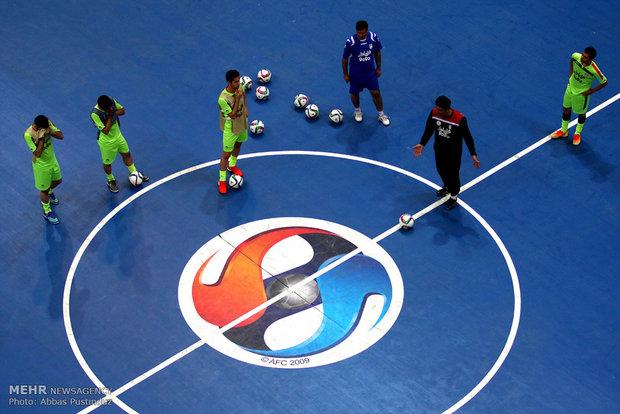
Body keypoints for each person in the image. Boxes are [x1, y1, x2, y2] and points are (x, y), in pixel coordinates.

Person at [413, 96, 480, 209]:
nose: (437, 110)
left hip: (454, 152)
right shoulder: (434, 113)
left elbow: (467, 137)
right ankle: (448, 187)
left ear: (447, 109)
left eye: (440, 109)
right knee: (441, 170)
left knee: (453, 175)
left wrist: (473, 154)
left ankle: (453, 196)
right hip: (439, 149)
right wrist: (422, 143)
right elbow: (429, 129)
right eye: (437, 108)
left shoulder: (459, 119)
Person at [550, 46, 608, 146]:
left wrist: (591, 91)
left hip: (581, 95)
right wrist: (571, 75)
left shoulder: (594, 70)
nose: (582, 57)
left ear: (591, 59)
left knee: (581, 114)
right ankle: (564, 130)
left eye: (585, 57)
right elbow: (572, 60)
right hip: (570, 88)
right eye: (582, 55)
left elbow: (604, 82)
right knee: (566, 109)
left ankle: (577, 133)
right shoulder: (576, 56)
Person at [90, 95, 149, 193]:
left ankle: (134, 172)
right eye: (108, 108)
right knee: (108, 163)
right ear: (101, 107)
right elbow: (105, 131)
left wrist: (113, 112)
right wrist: (110, 116)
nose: (110, 108)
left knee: (127, 154)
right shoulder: (95, 114)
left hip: (118, 136)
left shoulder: (111, 102)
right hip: (107, 142)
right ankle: (110, 180)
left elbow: (122, 111)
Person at [341, 20, 390, 126]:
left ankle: (381, 114)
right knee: (354, 94)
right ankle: (358, 111)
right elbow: (344, 59)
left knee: (376, 93)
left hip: (370, 73)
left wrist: (378, 67)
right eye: (359, 33)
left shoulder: (373, 38)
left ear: (367, 30)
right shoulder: (350, 42)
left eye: (363, 33)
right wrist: (345, 74)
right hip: (355, 74)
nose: (361, 35)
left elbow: (377, 52)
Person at [24, 115, 64, 224]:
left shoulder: (47, 124)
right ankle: (47, 211)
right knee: (43, 190)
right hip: (41, 166)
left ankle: (49, 192)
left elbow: (61, 136)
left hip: (52, 160)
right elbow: (37, 154)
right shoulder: (28, 134)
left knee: (58, 181)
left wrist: (50, 131)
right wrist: (41, 138)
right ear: (37, 126)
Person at [217, 69, 248, 195]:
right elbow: (233, 115)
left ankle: (232, 165)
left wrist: (245, 108)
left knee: (239, 144)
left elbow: (244, 95)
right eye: (235, 81)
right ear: (229, 82)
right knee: (225, 155)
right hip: (230, 126)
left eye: (239, 80)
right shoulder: (222, 99)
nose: (238, 83)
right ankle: (222, 181)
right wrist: (237, 98)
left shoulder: (240, 87)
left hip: (242, 122)